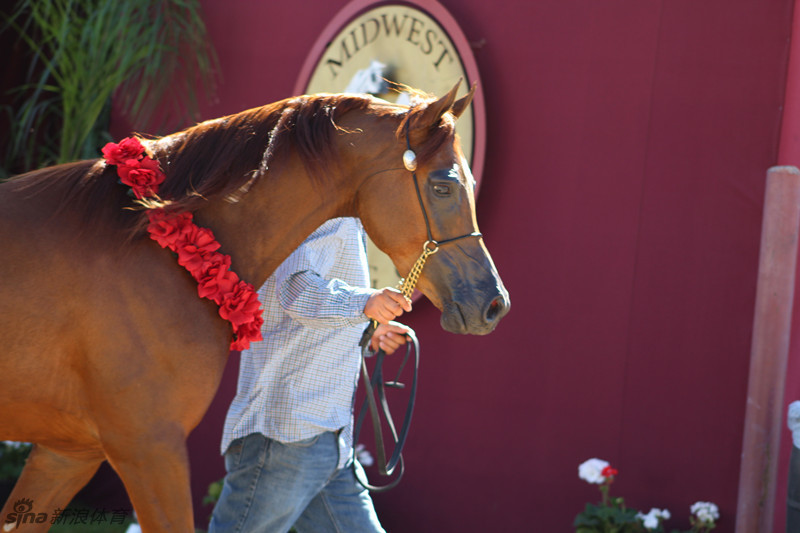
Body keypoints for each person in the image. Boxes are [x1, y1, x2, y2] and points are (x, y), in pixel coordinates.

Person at [208, 217, 413, 533]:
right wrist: (365, 303)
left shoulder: (345, 219)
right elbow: (296, 290)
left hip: (328, 440)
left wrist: (369, 328)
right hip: (285, 438)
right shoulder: (330, 215)